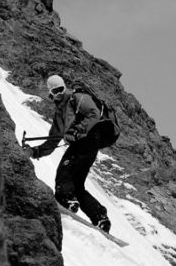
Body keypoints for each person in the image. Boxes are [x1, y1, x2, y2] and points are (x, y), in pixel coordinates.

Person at [23, 74, 113, 233]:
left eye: (60, 89)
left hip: (89, 139)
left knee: (64, 174)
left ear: (64, 87)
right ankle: (100, 217)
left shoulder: (77, 97)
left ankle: (66, 199)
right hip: (86, 145)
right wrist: (34, 151)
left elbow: (94, 112)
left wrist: (78, 130)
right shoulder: (59, 115)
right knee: (77, 184)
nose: (58, 94)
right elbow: (53, 141)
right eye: (54, 92)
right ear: (50, 94)